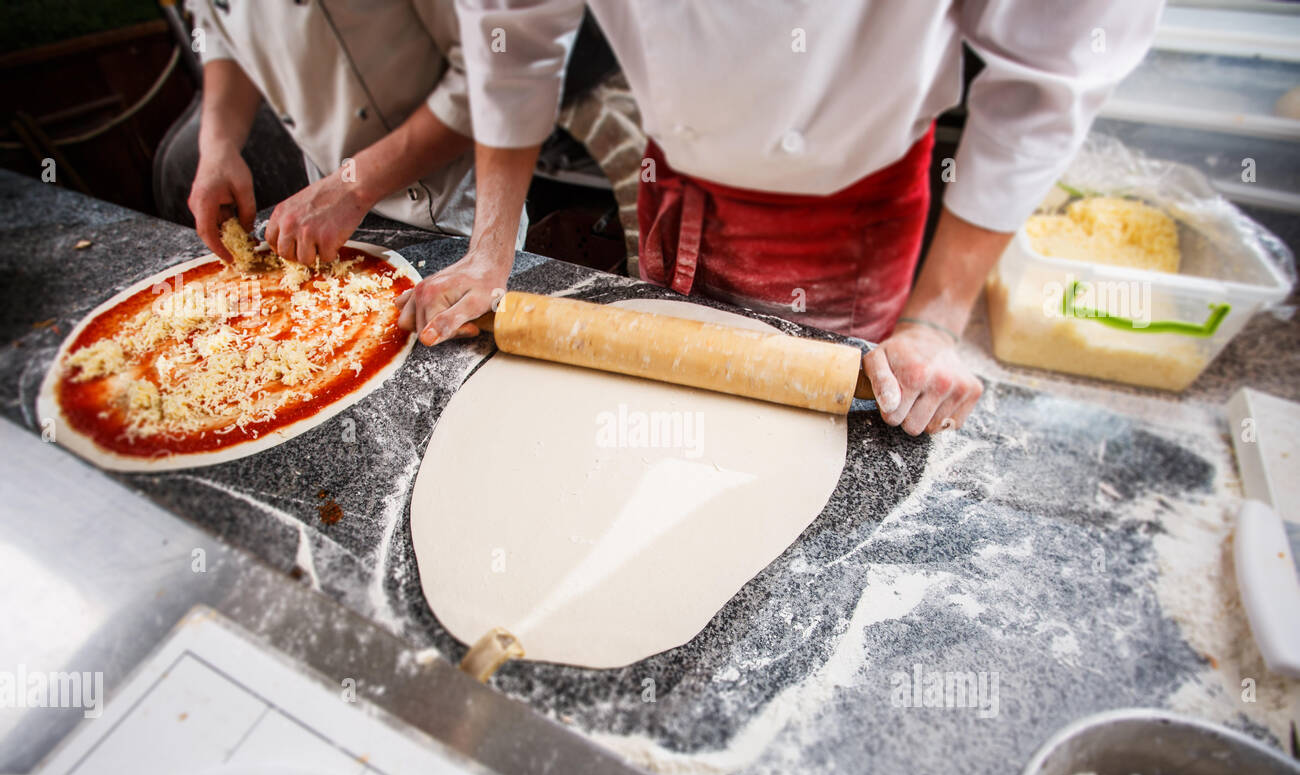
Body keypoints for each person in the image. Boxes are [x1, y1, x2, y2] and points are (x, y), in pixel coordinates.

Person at [399, 0, 1162, 434]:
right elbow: (513, 38)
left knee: (819, 435)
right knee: (662, 416)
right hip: (672, 178)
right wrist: (488, 251)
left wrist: (936, 319)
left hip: (846, 215)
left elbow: (1048, 82)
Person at [184, 0, 523, 268]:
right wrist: (218, 146)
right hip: (327, 213)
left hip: (451, 213)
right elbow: (220, 33)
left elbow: (499, 68)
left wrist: (352, 185)